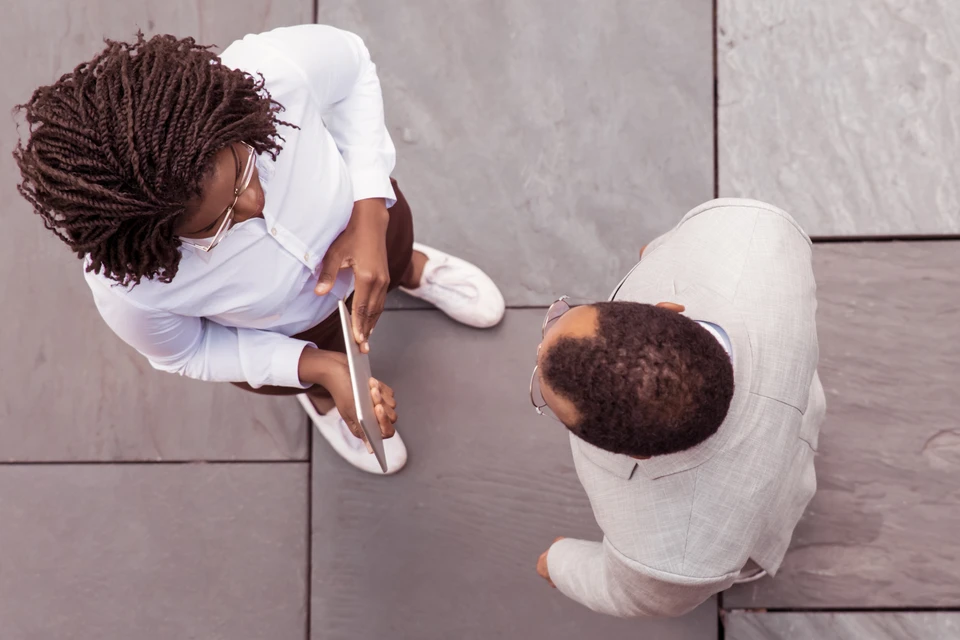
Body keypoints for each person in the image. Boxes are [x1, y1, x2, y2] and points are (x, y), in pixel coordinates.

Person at [14, 25, 505, 475]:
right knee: (317, 373)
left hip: (367, 222)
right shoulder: (130, 288)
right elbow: (191, 351)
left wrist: (372, 215)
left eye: (247, 166)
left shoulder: (270, 71)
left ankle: (407, 266)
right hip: (292, 330)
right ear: (156, 240)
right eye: (220, 221)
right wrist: (318, 367)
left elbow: (353, 67)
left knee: (392, 254)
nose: (257, 201)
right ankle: (327, 399)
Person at [531, 199, 825, 617]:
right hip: (795, 387)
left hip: (757, 512)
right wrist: (663, 253)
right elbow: (680, 242)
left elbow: (629, 594)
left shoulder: (676, 558)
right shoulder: (752, 231)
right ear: (667, 309)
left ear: (637, 453)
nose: (539, 344)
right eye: (559, 316)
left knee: (762, 522)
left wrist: (559, 564)